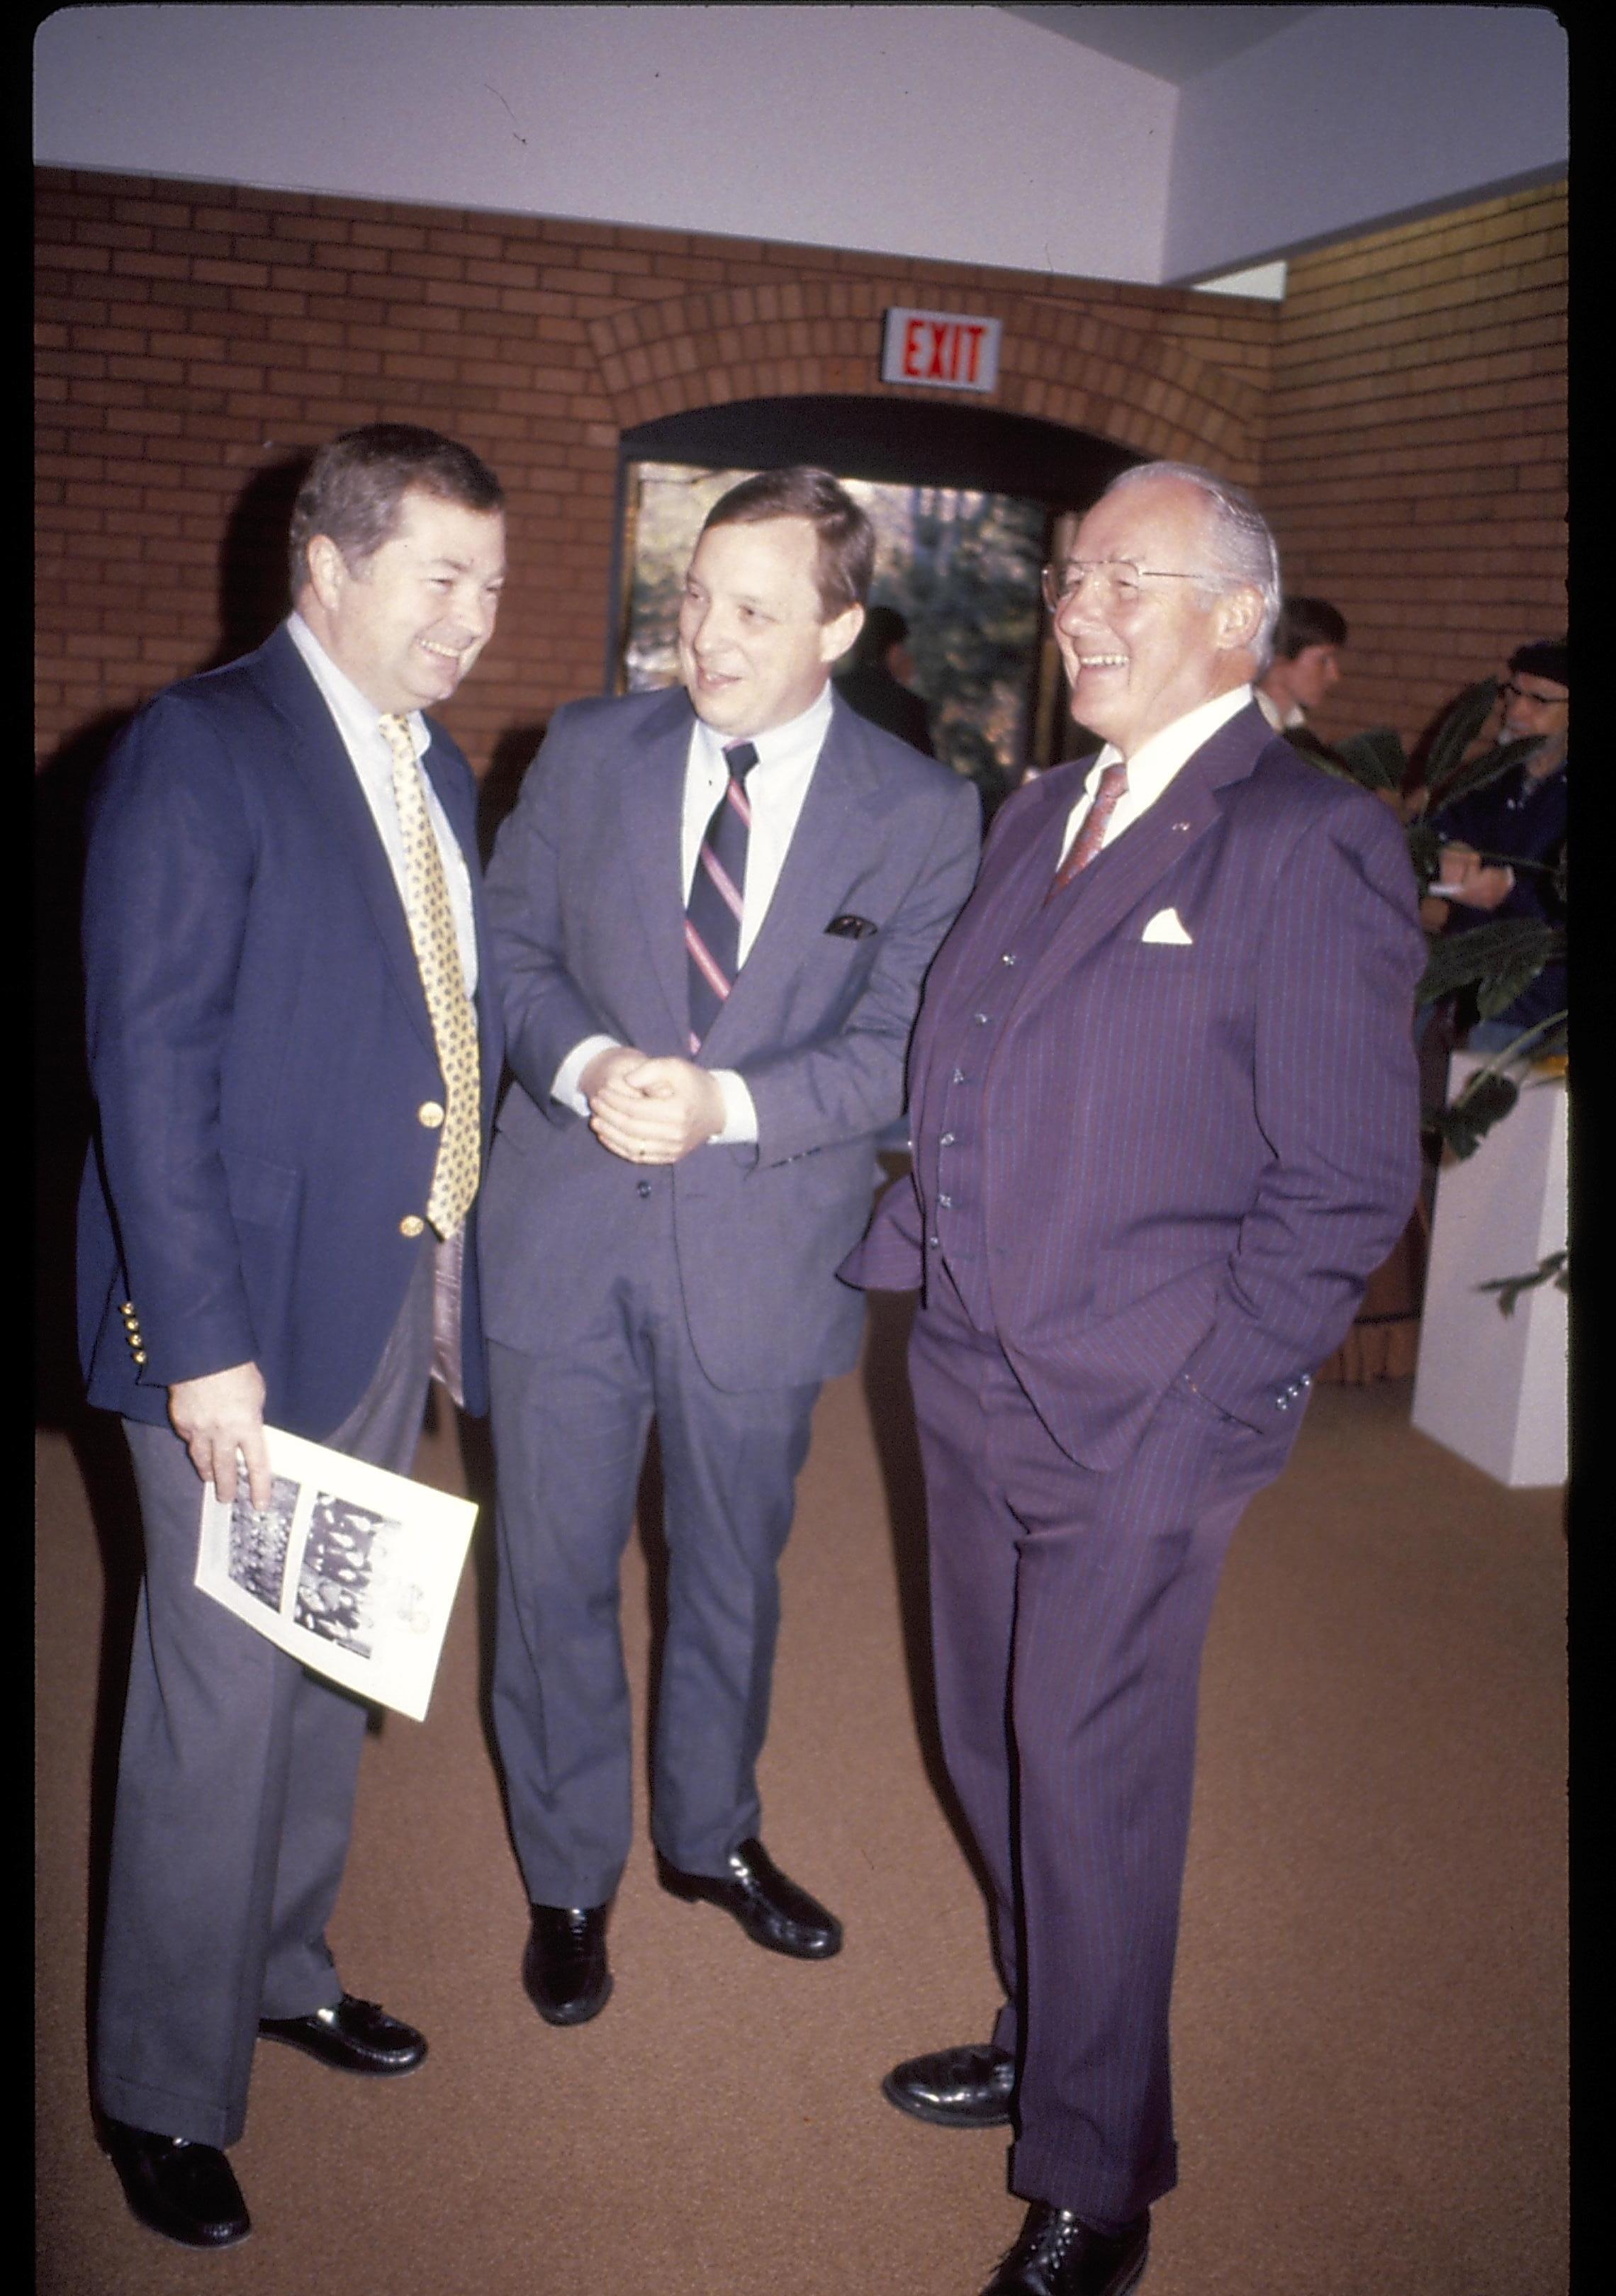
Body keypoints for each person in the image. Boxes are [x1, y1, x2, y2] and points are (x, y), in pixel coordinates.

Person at [841, 462, 1423, 2296]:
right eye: (1073, 574)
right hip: (971, 1363)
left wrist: (1209, 1406)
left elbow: (1347, 1177)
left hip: (1142, 1410)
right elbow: (974, 1057)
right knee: (984, 1739)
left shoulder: (1303, 838)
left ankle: (1101, 2175)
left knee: (1088, 1779)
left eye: (1123, 579)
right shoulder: (1047, 810)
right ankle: (1046, 2025)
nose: (1077, 606)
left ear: (1237, 621)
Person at [77, 424, 507, 2249]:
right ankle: (160, 2085)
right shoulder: (204, 746)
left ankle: (280, 1960)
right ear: (325, 568)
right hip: (237, 1326)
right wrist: (201, 1345)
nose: (476, 619)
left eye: (492, 582)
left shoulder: (443, 775)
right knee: (216, 1697)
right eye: (443, 577)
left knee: (328, 1657)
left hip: (382, 1286)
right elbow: (147, 1064)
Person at [478, 466, 980, 2027]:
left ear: (841, 624)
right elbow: (508, 948)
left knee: (729, 1578)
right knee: (548, 1575)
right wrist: (581, 1066)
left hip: (764, 1257)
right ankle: (570, 1878)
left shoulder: (923, 810)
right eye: (695, 595)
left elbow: (910, 1045)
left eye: (754, 609)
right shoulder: (587, 745)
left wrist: (728, 1102)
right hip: (562, 1224)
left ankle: (708, 1836)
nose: (703, 636)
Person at [1423, 638, 1567, 1050]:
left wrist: (1511, 889)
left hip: (1534, 1010)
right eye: (1514, 694)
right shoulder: (1493, 776)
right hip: (1460, 990)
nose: (1517, 712)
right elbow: (1431, 830)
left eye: (1540, 700)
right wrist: (1451, 845)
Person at [834, 600, 936, 754]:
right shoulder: (908, 709)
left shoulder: (830, 693)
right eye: (904, 648)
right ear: (893, 650)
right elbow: (922, 772)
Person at [1255, 593, 1347, 732]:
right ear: (1279, 659)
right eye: (1323, 660)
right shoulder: (1247, 736)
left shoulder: (1296, 734)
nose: (1334, 676)